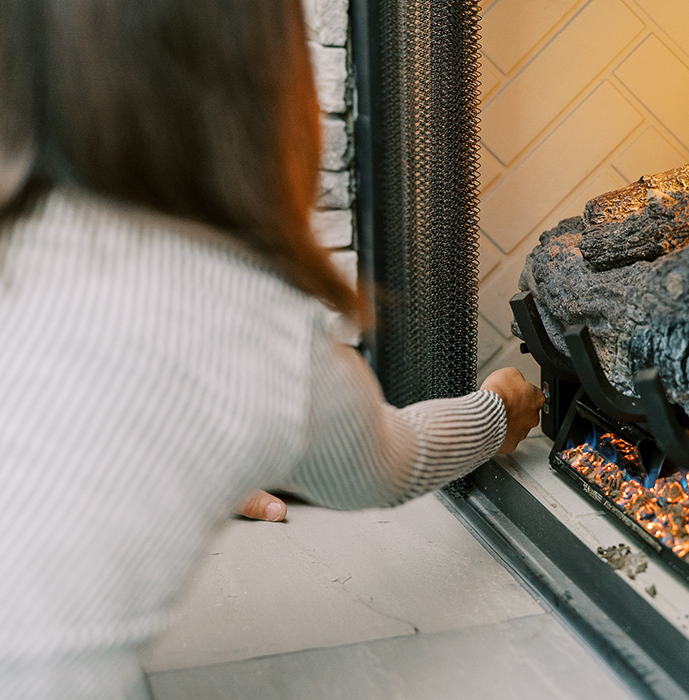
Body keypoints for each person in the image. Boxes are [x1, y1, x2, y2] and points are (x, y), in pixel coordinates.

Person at [0, 1, 544, 698]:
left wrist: (168, 462)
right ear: (260, 91)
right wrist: (496, 409)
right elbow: (387, 463)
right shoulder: (249, 325)